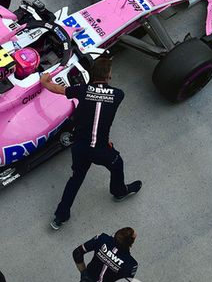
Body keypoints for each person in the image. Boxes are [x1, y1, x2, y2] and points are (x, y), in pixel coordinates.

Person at [40, 57, 142, 230]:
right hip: (101, 149)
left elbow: (56, 89)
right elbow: (101, 110)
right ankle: (119, 192)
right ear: (109, 76)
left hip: (79, 147)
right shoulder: (118, 95)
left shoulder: (82, 90)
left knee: (76, 179)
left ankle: (60, 216)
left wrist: (44, 82)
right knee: (118, 165)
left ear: (91, 74)